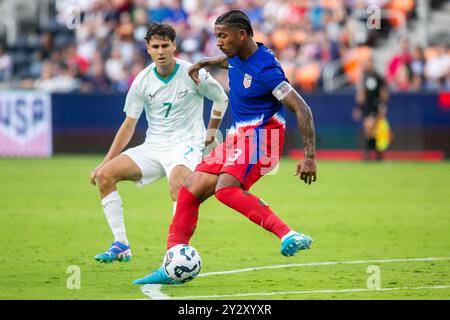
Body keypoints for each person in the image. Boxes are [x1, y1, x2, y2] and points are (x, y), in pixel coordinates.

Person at [133, 10, 317, 285]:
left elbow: (302, 109)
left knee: (226, 190)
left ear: (241, 35)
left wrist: (309, 157)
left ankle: (288, 234)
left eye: (222, 36)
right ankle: (171, 263)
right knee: (189, 190)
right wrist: (205, 62)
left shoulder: (266, 69)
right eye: (216, 35)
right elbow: (227, 60)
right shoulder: (236, 54)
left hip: (265, 137)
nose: (218, 41)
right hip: (238, 137)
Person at [90, 23, 228, 263]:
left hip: (187, 144)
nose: (161, 51)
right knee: (105, 176)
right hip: (154, 146)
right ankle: (121, 244)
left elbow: (220, 98)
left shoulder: (192, 72)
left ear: (174, 46)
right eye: (156, 46)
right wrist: (105, 161)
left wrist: (211, 131)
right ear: (148, 49)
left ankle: (176, 252)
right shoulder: (142, 80)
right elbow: (129, 124)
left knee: (177, 184)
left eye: (165, 45)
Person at [352, 58, 390, 160]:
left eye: (367, 63)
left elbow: (383, 92)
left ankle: (371, 152)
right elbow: (361, 94)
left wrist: (382, 105)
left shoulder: (377, 76)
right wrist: (358, 107)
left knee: (372, 128)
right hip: (366, 107)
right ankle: (373, 152)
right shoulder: (363, 77)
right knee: (368, 129)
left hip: (375, 106)